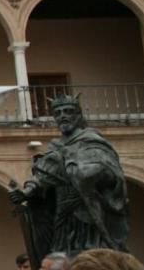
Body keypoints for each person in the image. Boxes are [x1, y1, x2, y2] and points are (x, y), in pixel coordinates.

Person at [8, 94, 128, 256]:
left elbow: (110, 171)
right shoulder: (55, 146)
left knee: (91, 251)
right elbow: (44, 174)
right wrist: (26, 192)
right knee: (61, 251)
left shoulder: (91, 139)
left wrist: (84, 173)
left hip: (87, 204)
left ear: (78, 115)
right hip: (62, 206)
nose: (63, 116)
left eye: (68, 111)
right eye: (58, 113)